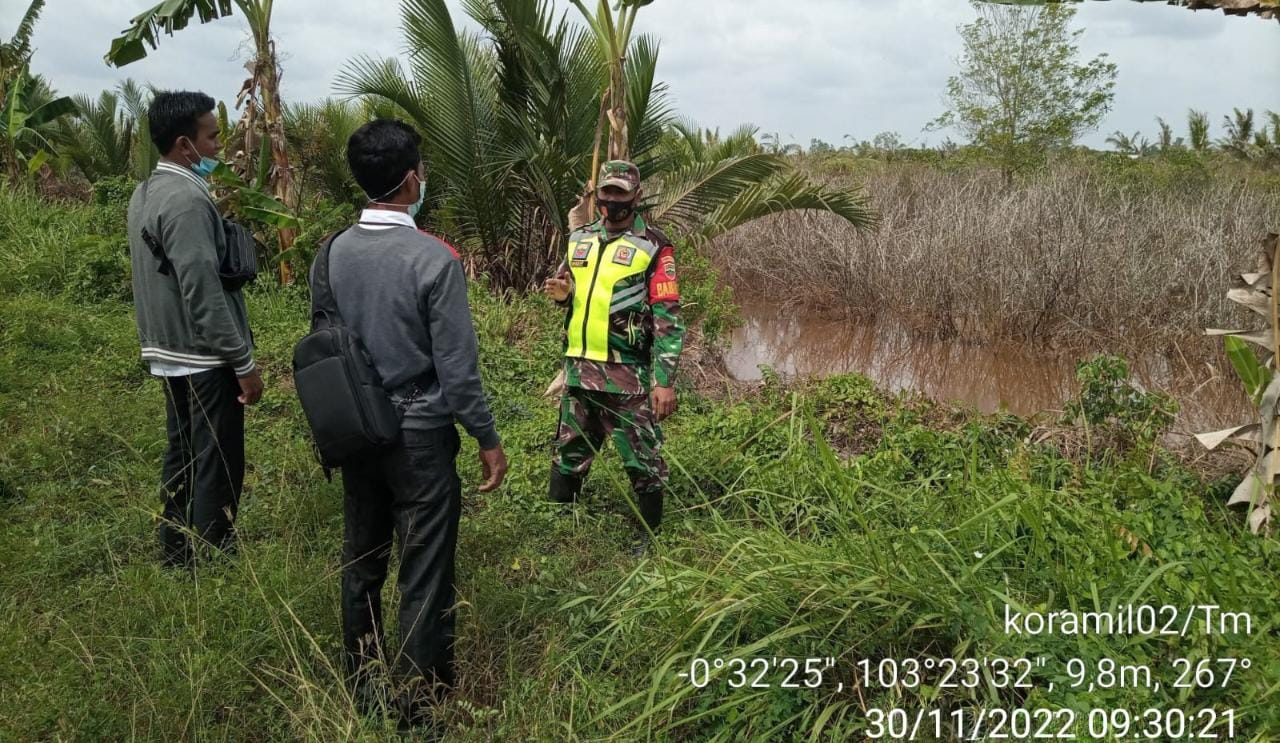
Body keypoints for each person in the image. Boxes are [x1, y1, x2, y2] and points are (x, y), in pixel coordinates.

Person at [321, 118, 508, 729]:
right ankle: (421, 708)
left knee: (363, 558)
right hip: (420, 434)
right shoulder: (434, 259)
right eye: (422, 170)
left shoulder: (333, 251)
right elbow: (457, 368)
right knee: (424, 569)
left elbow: (325, 345)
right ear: (410, 181)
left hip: (354, 429)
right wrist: (486, 437)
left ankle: (364, 685)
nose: (423, 178)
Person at [127, 91, 263, 567]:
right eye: (212, 136)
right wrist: (242, 362)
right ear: (185, 145)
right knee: (218, 462)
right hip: (203, 354)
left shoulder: (147, 191)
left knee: (183, 451)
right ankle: (212, 560)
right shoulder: (186, 199)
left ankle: (176, 551)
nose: (218, 147)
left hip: (169, 350)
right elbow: (201, 290)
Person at [543, 160, 686, 549]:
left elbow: (668, 318)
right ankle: (557, 526)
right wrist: (564, 294)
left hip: (626, 375)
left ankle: (648, 534)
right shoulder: (579, 240)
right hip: (579, 370)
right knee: (569, 450)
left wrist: (664, 381)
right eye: (606, 192)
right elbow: (570, 289)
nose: (612, 200)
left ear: (636, 196)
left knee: (642, 458)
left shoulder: (655, 247)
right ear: (598, 194)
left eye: (620, 193)